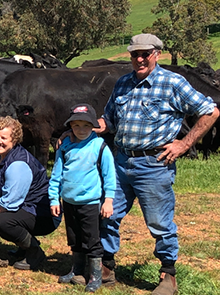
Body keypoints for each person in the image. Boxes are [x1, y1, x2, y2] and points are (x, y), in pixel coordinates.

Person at [96, 33, 219, 295]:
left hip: (154, 164)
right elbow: (109, 120)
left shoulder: (172, 83)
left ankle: (168, 275)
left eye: (145, 54)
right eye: (134, 54)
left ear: (156, 54)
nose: (139, 59)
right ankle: (106, 267)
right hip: (120, 161)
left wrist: (184, 144)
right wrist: (83, 126)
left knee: (159, 222)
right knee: (106, 213)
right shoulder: (122, 84)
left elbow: (210, 111)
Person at [0, 116, 61, 270]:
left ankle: (34, 251)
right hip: (27, 208)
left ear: (14, 139)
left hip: (44, 214)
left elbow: (10, 202)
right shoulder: (2, 156)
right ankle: (23, 246)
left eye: (4, 137)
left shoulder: (18, 164)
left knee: (3, 220)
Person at [49, 103, 116, 293]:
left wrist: (108, 200)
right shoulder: (65, 146)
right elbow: (56, 174)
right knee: (74, 238)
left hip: (90, 203)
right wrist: (54, 198)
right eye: (76, 125)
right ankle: (76, 270)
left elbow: (110, 176)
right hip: (69, 202)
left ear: (94, 126)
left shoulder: (99, 147)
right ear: (70, 126)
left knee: (92, 240)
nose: (81, 130)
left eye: (86, 125)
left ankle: (95, 276)